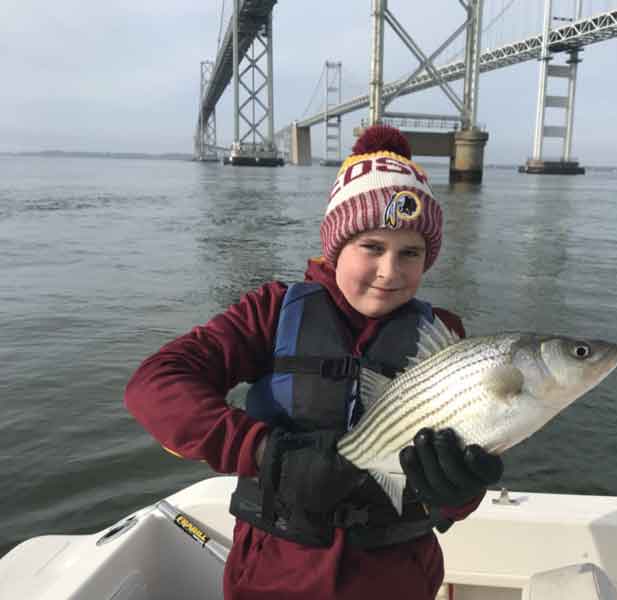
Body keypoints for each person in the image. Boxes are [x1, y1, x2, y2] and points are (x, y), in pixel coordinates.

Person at [124, 125, 503, 600]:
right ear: (335, 245)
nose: (390, 271)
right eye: (371, 247)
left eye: (411, 253)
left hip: (396, 579)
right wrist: (265, 452)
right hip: (274, 576)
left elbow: (455, 476)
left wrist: (460, 491)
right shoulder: (272, 312)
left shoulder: (443, 336)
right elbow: (155, 383)